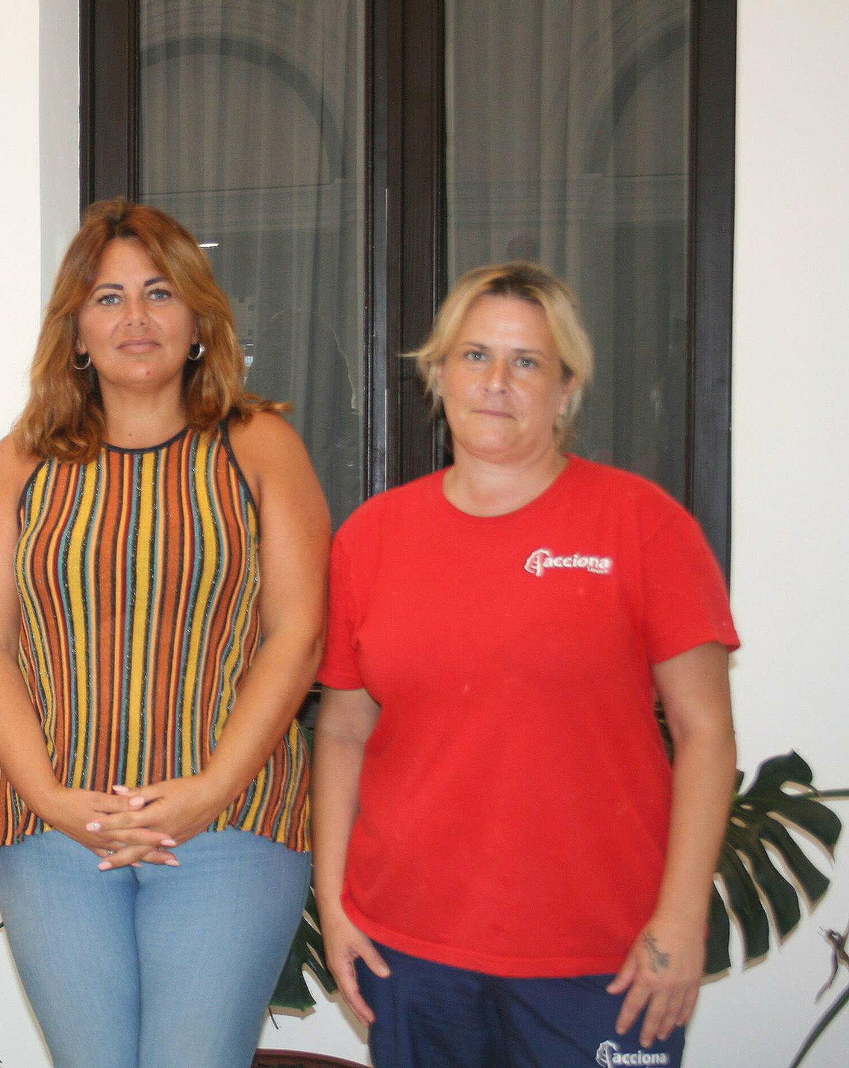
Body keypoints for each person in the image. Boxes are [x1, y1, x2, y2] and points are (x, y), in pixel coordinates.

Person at [313, 261, 739, 1068]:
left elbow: (706, 733)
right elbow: (341, 729)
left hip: (604, 956)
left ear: (567, 388)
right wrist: (334, 903)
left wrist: (682, 919)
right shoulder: (371, 538)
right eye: (474, 356)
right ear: (439, 373)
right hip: (412, 949)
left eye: (527, 362)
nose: (496, 383)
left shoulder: (644, 525)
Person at [0, 199, 330, 1068]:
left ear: (198, 320)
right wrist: (51, 797)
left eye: (159, 293)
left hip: (230, 821)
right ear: (76, 332)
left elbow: (298, 635)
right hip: (53, 829)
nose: (135, 316)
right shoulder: (20, 463)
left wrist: (208, 790)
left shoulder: (260, 446)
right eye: (109, 297)